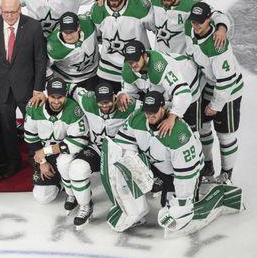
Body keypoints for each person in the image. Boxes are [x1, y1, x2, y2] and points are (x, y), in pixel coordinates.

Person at [109, 91, 202, 231]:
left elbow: (187, 174)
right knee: (124, 165)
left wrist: (183, 203)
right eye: (146, 111)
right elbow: (123, 141)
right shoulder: (137, 118)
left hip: (180, 173)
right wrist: (134, 165)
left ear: (163, 107)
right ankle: (136, 210)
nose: (150, 116)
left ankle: (190, 203)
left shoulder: (179, 134)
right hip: (156, 165)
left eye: (153, 111)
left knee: (172, 210)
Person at [0, 0, 46, 178]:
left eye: (13, 12)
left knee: (32, 125)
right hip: (1, 87)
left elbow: (40, 60)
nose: (9, 16)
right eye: (5, 12)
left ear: (20, 9)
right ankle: (13, 162)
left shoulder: (33, 27)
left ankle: (36, 158)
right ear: (1, 10)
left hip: (27, 87)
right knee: (7, 127)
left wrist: (38, 88)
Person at [184, 2, 243, 183]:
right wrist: (222, 25)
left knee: (225, 135)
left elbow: (226, 82)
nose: (196, 25)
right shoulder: (190, 26)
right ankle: (208, 166)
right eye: (194, 21)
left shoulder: (219, 46)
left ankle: (227, 173)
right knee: (202, 128)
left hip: (228, 90)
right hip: (207, 84)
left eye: (200, 22)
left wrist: (215, 105)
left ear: (208, 20)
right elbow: (217, 11)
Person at [69, 82, 139, 229]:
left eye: (107, 101)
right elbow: (70, 87)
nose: (104, 105)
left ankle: (134, 209)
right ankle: (85, 206)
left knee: (125, 180)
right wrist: (42, 94)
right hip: (97, 149)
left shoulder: (128, 105)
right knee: (76, 168)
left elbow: (154, 111)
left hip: (119, 153)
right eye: (101, 102)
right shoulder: (88, 101)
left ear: (115, 97)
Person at [25, 78, 89, 213]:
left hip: (65, 153)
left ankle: (71, 189)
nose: (56, 101)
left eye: (60, 97)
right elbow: (31, 139)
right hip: (44, 156)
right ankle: (60, 183)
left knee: (64, 162)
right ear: (47, 94)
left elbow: (79, 141)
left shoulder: (74, 109)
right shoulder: (34, 107)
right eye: (53, 96)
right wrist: (42, 162)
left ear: (65, 95)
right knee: (42, 197)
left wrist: (46, 150)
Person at [119, 40, 204, 135]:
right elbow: (131, 94)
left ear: (144, 56)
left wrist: (172, 116)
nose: (133, 64)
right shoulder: (128, 68)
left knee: (190, 131)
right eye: (130, 61)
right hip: (165, 90)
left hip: (188, 81)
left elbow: (183, 92)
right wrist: (124, 94)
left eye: (136, 60)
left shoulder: (159, 66)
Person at [90, 0, 155, 90]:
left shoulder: (139, 7)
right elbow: (97, 36)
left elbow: (158, 27)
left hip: (137, 70)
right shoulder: (98, 10)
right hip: (107, 73)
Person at [149, 0, 230, 54]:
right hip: (160, 59)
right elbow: (139, 4)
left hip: (181, 61)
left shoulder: (191, 5)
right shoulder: (154, 0)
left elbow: (216, 14)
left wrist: (222, 29)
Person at [46, 11, 99, 91]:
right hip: (70, 82)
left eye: (71, 31)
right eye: (65, 32)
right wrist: (51, 79)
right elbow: (42, 65)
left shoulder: (88, 24)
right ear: (60, 30)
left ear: (78, 28)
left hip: (96, 74)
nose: (69, 36)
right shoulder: (53, 46)